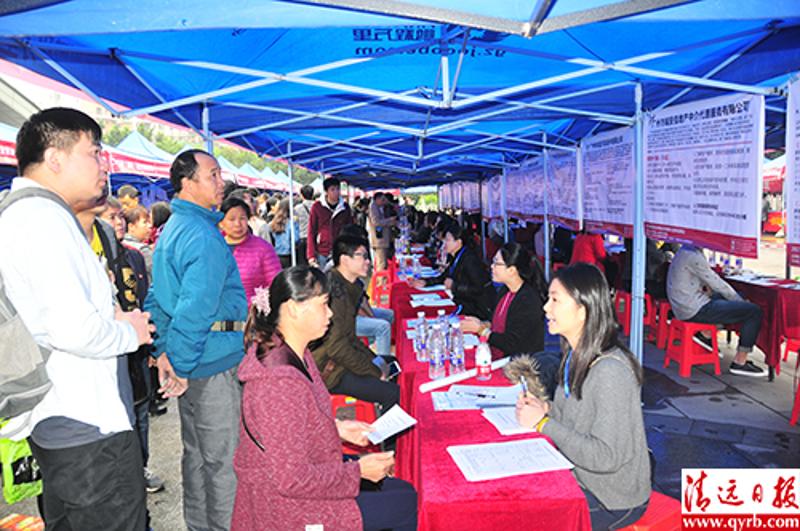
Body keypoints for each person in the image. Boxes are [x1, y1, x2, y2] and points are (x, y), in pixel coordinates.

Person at [0, 108, 152, 529]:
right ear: (55, 158)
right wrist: (131, 332)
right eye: (95, 153)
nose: (105, 166)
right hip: (88, 427)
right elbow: (73, 329)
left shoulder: (24, 214)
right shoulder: (43, 219)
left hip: (64, 421)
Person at [231, 266, 417, 530]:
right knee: (405, 505)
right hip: (285, 506)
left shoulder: (295, 352)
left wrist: (338, 428)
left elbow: (293, 429)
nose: (330, 313)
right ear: (294, 308)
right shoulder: (277, 383)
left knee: (403, 492)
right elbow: (292, 480)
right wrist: (358, 472)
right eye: (324, 304)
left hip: (309, 472)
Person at [145, 149, 248, 531]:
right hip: (211, 361)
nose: (221, 183)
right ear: (188, 183)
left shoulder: (174, 227)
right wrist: (181, 363)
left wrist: (166, 353)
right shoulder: (200, 234)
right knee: (222, 462)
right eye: (213, 175)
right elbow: (195, 307)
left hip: (193, 358)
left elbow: (157, 297)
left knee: (197, 456)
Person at [516, 263, 651, 530]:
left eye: (555, 300)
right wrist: (547, 408)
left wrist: (544, 424)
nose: (546, 308)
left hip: (612, 498)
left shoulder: (610, 371)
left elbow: (606, 457)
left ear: (583, 310)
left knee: (527, 519)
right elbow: (576, 417)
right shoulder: (575, 355)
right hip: (580, 476)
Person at [98, 197, 166, 494]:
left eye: (120, 217)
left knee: (140, 410)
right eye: (111, 218)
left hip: (136, 348)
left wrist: (153, 347)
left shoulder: (135, 256)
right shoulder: (91, 259)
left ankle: (141, 465)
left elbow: (144, 298)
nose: (118, 223)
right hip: (107, 351)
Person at [311, 235, 400, 415]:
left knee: (392, 364)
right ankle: (390, 441)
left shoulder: (349, 286)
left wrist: (374, 360)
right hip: (331, 370)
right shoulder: (334, 292)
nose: (368, 261)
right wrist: (374, 370)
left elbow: (350, 337)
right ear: (344, 259)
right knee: (392, 393)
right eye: (362, 256)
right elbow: (336, 348)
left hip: (340, 360)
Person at [666, 244, 765, 377]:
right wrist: (738, 301)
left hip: (685, 305)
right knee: (753, 311)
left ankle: (706, 334)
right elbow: (716, 282)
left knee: (734, 299)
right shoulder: (693, 255)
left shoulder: (685, 249)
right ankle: (740, 361)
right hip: (694, 309)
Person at [461, 242, 545, 358]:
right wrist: (482, 324)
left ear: (511, 270)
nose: (491, 266)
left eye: (496, 263)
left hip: (517, 365)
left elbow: (512, 343)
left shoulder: (528, 300)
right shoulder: (505, 291)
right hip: (498, 356)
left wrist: (481, 330)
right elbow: (499, 323)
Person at [413, 223, 495, 321]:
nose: (445, 244)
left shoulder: (470, 259)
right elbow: (444, 277)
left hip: (475, 308)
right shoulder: (455, 256)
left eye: (448, 240)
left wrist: (454, 286)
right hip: (462, 302)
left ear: (458, 242)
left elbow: (479, 288)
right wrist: (425, 282)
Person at [220, 195, 282, 303]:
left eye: (242, 218)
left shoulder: (263, 248)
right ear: (221, 223)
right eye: (231, 219)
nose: (237, 224)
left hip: (250, 315)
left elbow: (277, 285)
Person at [307, 176, 353, 269]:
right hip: (322, 250)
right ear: (326, 191)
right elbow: (311, 231)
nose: (336, 192)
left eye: (337, 189)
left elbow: (350, 229)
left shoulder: (345, 207)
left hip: (340, 249)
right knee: (324, 278)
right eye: (332, 189)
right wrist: (311, 255)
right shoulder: (317, 206)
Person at [259, 198, 299, 268]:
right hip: (288, 255)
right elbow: (295, 239)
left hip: (276, 254)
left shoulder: (273, 222)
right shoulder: (292, 223)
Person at [367, 192, 397, 272]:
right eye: (383, 200)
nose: (384, 202)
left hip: (383, 239)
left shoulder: (380, 207)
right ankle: (381, 283)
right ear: (377, 199)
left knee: (383, 263)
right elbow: (376, 222)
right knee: (382, 264)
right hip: (379, 240)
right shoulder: (373, 207)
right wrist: (390, 220)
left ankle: (383, 282)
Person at [123, 204, 154, 278]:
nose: (150, 226)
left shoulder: (121, 244)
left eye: (149, 222)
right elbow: (158, 273)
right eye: (145, 222)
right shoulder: (143, 250)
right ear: (131, 226)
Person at [293, 184, 315, 265]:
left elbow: (295, 222)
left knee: (302, 263)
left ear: (302, 195)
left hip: (302, 237)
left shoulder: (297, 208)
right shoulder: (317, 206)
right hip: (314, 238)